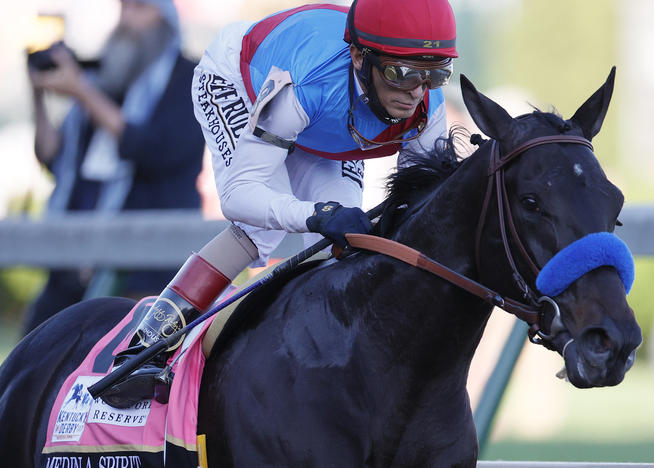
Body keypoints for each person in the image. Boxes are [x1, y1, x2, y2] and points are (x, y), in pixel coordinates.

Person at [101, 0, 458, 408]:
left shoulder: (426, 103)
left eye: (434, 74)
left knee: (350, 241)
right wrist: (314, 216)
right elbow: (239, 196)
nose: (417, 91)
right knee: (261, 227)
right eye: (401, 73)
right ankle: (143, 348)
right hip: (239, 80)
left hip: (324, 119)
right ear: (360, 57)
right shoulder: (308, 84)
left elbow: (425, 203)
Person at [24, 0, 205, 335]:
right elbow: (53, 158)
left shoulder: (188, 77)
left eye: (138, 7)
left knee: (121, 371)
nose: (125, 19)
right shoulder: (105, 78)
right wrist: (38, 93)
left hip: (144, 266)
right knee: (29, 364)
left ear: (164, 18)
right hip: (73, 259)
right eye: (123, 7)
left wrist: (82, 91)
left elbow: (158, 152)